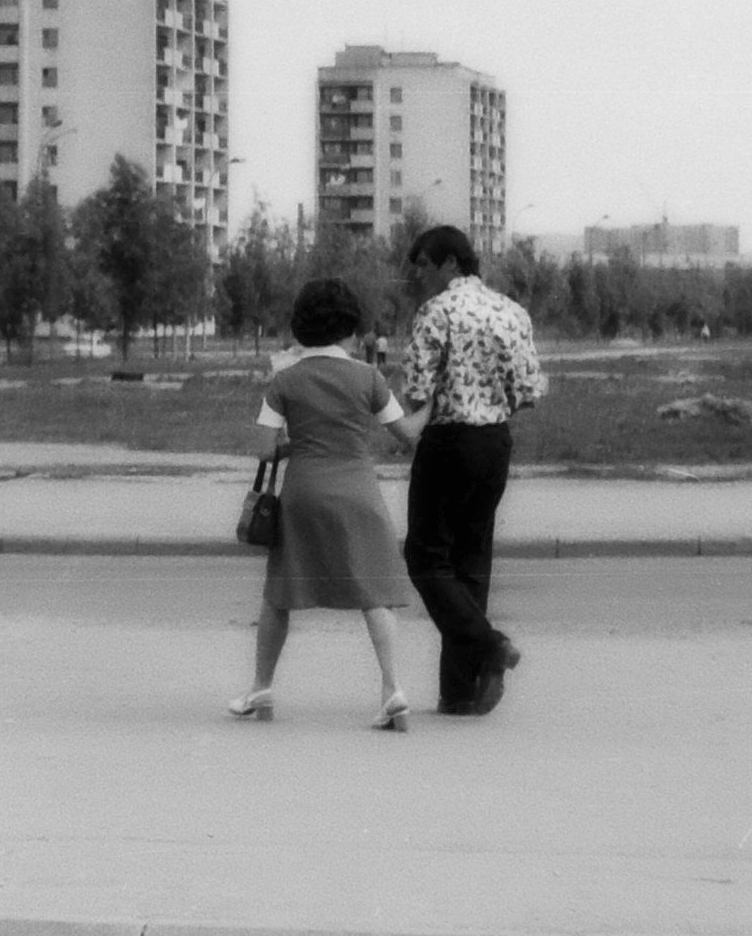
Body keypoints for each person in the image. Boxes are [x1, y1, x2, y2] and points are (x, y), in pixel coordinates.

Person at [228, 278, 423, 732]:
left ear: (301, 328)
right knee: (375, 595)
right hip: (360, 496)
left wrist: (300, 445)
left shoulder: (285, 380)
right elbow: (408, 433)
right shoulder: (368, 377)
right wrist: (433, 403)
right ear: (352, 330)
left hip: (304, 496)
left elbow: (264, 449)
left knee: (279, 595)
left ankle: (260, 688)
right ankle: (391, 690)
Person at [399, 225, 548, 717]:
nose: (416, 274)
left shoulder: (436, 312)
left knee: (425, 558)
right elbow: (530, 389)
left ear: (448, 264)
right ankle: (459, 693)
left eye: (421, 264)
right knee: (471, 561)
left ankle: (490, 644)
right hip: (494, 443)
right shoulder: (511, 311)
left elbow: (418, 391)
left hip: (447, 442)